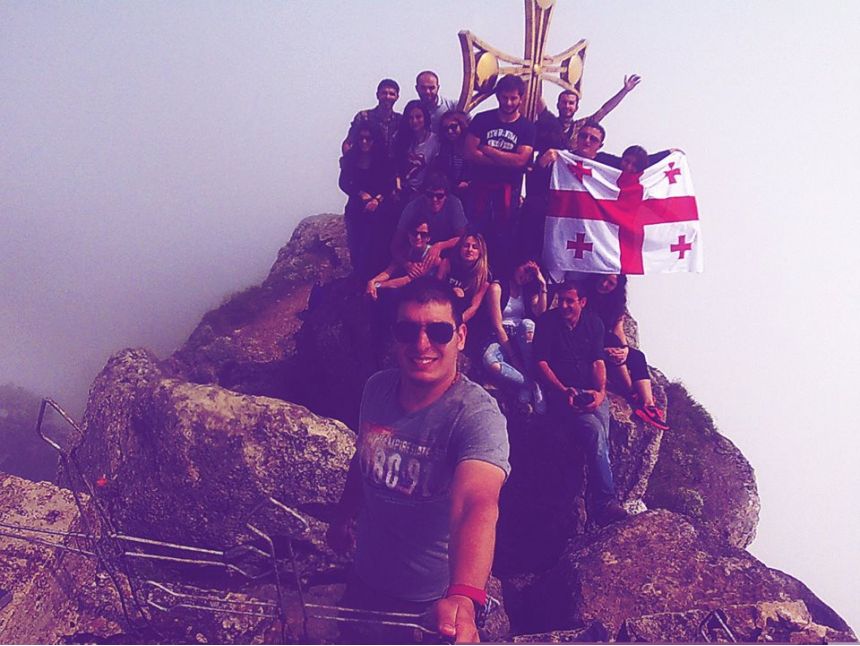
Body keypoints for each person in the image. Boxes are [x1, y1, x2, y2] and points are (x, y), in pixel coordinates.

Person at [328, 278, 510, 644]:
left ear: (461, 336)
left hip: (429, 604)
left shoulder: (476, 415)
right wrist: (343, 515)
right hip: (364, 581)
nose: (422, 344)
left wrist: (463, 596)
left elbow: (475, 503)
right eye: (408, 330)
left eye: (439, 331)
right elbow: (364, 457)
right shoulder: (376, 388)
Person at [533, 280, 628, 527]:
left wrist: (600, 392)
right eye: (561, 300)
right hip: (560, 392)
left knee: (602, 428)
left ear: (582, 302)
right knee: (595, 431)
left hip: (589, 390)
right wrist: (563, 390)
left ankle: (600, 502)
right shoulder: (547, 323)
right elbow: (541, 363)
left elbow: (598, 361)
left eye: (570, 301)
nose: (564, 305)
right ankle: (604, 503)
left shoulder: (594, 323)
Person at [464, 75, 536, 277]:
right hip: (479, 189)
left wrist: (488, 150)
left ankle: (497, 282)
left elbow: (521, 161)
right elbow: (469, 152)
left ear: (521, 98)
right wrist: (507, 160)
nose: (509, 103)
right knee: (473, 237)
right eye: (505, 97)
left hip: (508, 193)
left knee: (503, 240)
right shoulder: (482, 119)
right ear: (498, 96)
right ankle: (471, 279)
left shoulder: (527, 127)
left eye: (513, 98)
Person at [584, 273, 669, 430]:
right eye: (604, 279)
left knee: (637, 356)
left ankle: (648, 405)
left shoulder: (616, 304)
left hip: (608, 342)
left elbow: (618, 330)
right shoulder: (585, 295)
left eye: (611, 283)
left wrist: (625, 350)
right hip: (588, 343)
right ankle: (632, 394)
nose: (604, 284)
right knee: (613, 346)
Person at [482, 260, 548, 414]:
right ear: (516, 266)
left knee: (528, 324)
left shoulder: (527, 291)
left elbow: (541, 314)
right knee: (490, 361)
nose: (526, 277)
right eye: (525, 270)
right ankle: (531, 384)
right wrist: (513, 357)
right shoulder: (497, 287)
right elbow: (497, 326)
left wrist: (542, 285)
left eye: (531, 275)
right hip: (501, 336)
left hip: (521, 335)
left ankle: (531, 381)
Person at [338, 120, 395, 279]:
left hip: (379, 209)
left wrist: (377, 200)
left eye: (368, 138)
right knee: (356, 246)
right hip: (356, 208)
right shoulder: (351, 158)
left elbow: (389, 184)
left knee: (376, 247)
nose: (364, 142)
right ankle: (359, 278)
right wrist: (360, 194)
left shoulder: (383, 159)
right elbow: (343, 182)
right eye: (361, 138)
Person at [537, 75, 641, 150]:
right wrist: (537, 74)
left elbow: (605, 110)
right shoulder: (549, 122)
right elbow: (538, 98)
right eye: (564, 102)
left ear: (576, 107)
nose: (567, 106)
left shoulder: (581, 126)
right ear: (558, 105)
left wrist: (625, 91)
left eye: (571, 103)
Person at [391, 173, 467, 274]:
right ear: (423, 194)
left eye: (439, 196)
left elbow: (463, 238)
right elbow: (395, 244)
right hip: (415, 255)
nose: (434, 199)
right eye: (430, 195)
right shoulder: (412, 207)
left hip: (445, 256)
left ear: (446, 196)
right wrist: (407, 265)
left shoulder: (454, 204)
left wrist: (440, 246)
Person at [366, 217, 442, 302]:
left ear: (428, 238)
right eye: (414, 233)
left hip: (428, 296)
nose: (418, 237)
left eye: (423, 234)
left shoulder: (431, 256)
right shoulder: (406, 251)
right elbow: (389, 271)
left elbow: (406, 280)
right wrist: (372, 281)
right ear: (409, 235)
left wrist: (378, 285)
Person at [436, 231, 490, 324]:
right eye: (466, 246)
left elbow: (473, 307)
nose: (470, 249)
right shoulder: (447, 264)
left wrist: (456, 323)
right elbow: (436, 291)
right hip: (442, 309)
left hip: (463, 318)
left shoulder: (484, 276)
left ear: (480, 252)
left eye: (475, 247)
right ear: (460, 248)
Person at [344, 78, 402, 160]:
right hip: (367, 165)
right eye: (384, 93)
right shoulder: (364, 117)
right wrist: (348, 161)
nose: (387, 97)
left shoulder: (400, 121)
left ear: (397, 97)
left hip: (392, 166)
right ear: (377, 95)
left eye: (391, 94)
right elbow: (348, 143)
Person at [393, 100, 440, 200]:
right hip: (400, 191)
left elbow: (434, 171)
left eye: (418, 117)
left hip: (424, 194)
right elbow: (395, 167)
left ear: (425, 117)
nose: (414, 121)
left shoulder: (435, 142)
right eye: (410, 118)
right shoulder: (400, 138)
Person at [432, 110, 472, 200]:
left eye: (453, 127)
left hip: (472, 193)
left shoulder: (471, 145)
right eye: (445, 129)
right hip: (450, 193)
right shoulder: (444, 149)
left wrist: (469, 183)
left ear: (461, 125)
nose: (450, 131)